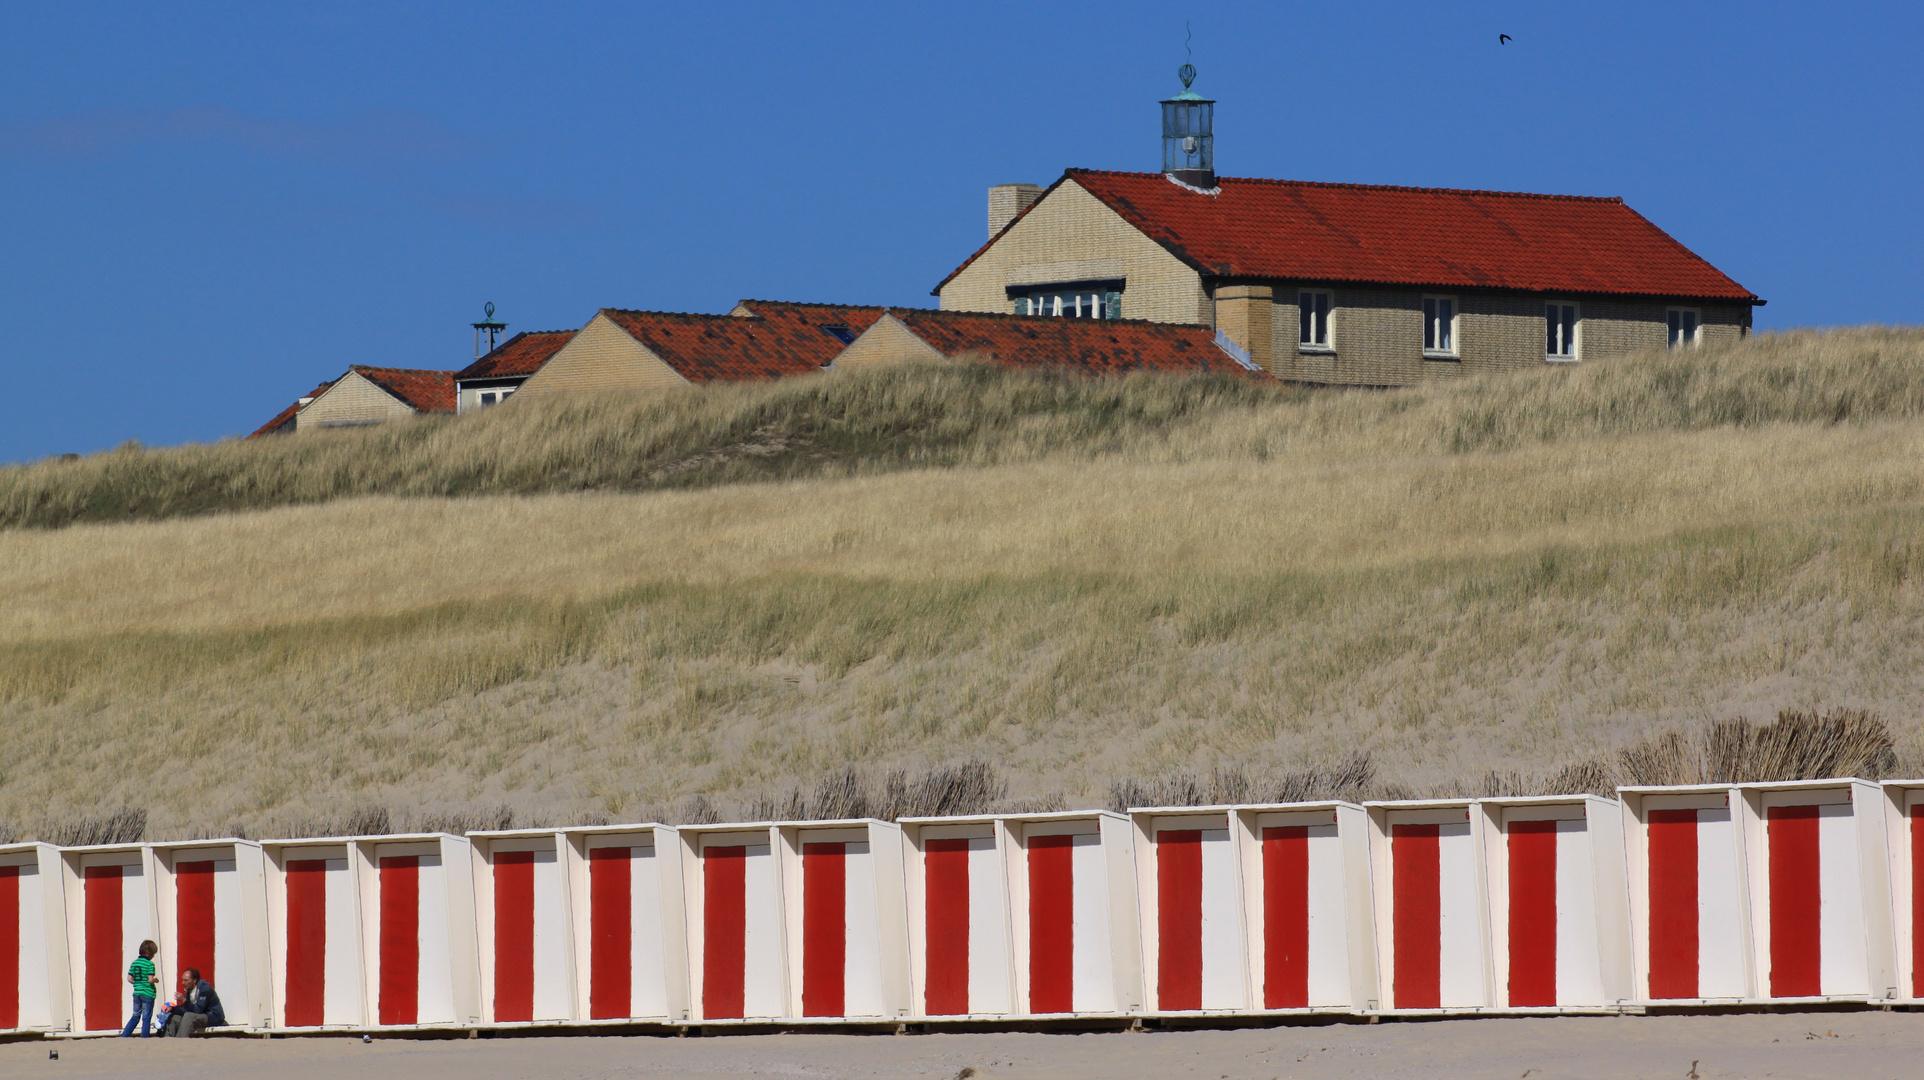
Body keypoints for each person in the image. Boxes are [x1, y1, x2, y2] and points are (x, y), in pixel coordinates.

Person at [161, 967, 224, 1037]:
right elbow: (186, 1008)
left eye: (186, 980)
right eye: (183, 980)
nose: (183, 983)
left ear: (194, 980)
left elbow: (198, 1010)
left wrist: (184, 1000)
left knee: (188, 1016)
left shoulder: (205, 989)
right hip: (198, 1016)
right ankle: (168, 1041)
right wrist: (173, 1009)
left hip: (212, 1016)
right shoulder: (189, 990)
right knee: (175, 1018)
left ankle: (179, 1041)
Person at [119, 940, 159, 1037]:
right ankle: (144, 1036)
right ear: (150, 953)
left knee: (135, 1016)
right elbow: (150, 980)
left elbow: (129, 978)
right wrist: (155, 980)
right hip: (148, 993)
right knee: (146, 1017)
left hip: (137, 992)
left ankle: (125, 1035)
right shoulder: (150, 964)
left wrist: (137, 983)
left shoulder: (134, 963)